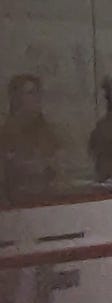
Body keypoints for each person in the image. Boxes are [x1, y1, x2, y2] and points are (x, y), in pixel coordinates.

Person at [1, 74, 63, 205]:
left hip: (48, 201)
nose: (37, 98)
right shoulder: (7, 133)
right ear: (17, 98)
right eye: (30, 93)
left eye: (38, 93)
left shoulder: (46, 130)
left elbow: (58, 161)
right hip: (19, 204)